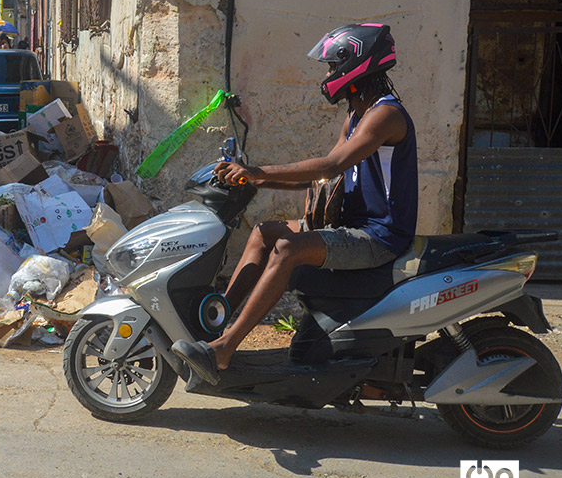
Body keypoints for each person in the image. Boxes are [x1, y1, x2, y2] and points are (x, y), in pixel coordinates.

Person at [172, 24, 417, 385]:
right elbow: (323, 178)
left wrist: (256, 170)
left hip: (378, 236)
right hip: (350, 226)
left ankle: (223, 350)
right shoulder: (356, 117)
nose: (329, 75)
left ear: (358, 64)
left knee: (287, 248)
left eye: (333, 66)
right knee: (263, 234)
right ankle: (216, 326)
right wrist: (253, 179)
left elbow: (331, 165)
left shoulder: (385, 115)